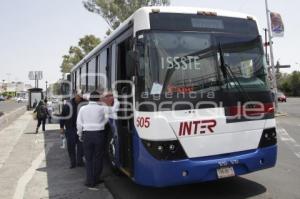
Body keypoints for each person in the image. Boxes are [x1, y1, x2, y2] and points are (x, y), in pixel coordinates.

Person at [77, 91, 119, 188]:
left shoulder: (83, 109)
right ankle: (96, 179)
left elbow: (79, 124)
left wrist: (80, 135)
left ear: (90, 98)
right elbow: (114, 109)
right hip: (99, 135)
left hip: (87, 135)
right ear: (98, 99)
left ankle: (89, 180)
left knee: (89, 159)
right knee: (98, 158)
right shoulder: (102, 108)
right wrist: (116, 99)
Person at [60, 94, 85, 169]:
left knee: (81, 147)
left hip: (81, 129)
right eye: (78, 96)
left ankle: (79, 161)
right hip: (70, 129)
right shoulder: (68, 104)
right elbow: (63, 116)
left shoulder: (84, 103)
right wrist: (61, 127)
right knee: (71, 147)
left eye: (81, 96)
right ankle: (73, 162)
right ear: (75, 96)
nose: (79, 97)